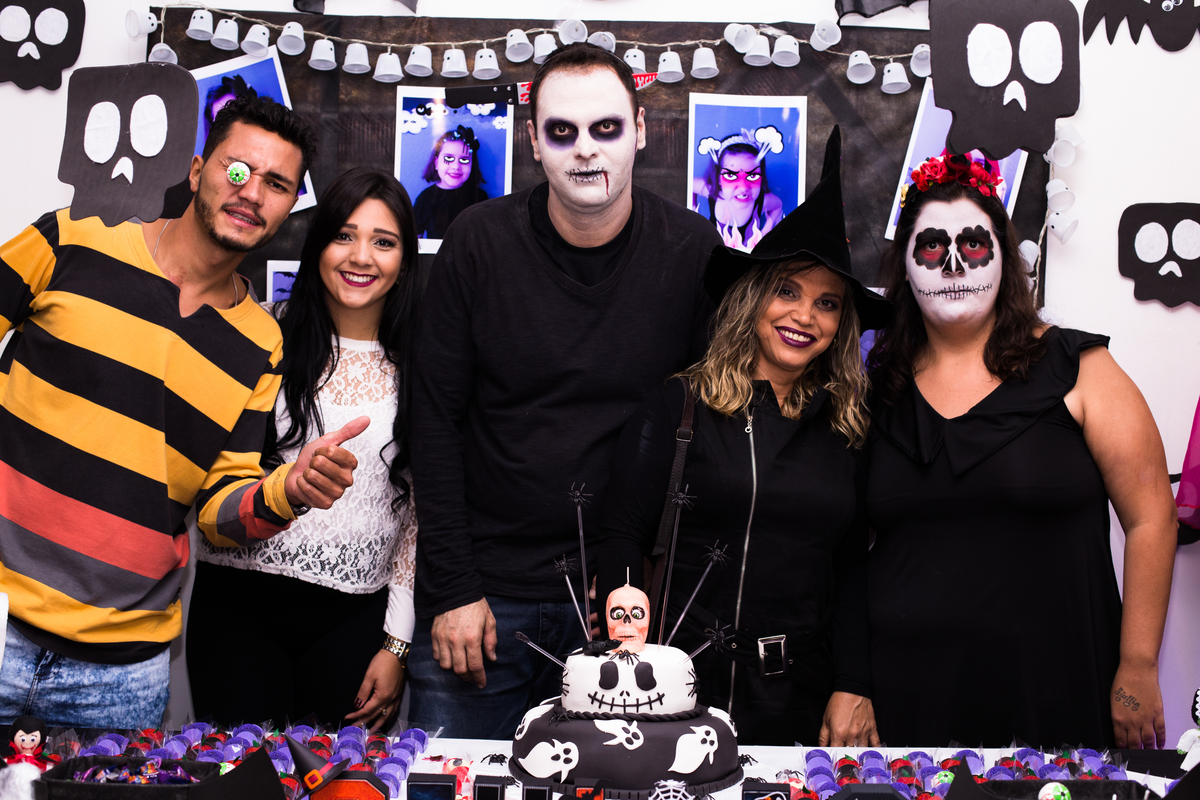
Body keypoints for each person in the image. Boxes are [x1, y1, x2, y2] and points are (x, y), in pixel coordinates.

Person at [0, 96, 366, 730]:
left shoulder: (260, 341)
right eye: (237, 170)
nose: (252, 192)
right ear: (197, 170)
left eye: (277, 184)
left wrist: (289, 490)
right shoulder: (74, 237)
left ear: (289, 205)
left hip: (120, 673)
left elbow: (219, 514)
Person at [408, 42, 723, 738]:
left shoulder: (694, 251)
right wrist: (455, 587)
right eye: (563, 131)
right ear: (534, 142)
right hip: (484, 599)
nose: (586, 150)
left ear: (641, 130)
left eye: (606, 128)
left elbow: (712, 430)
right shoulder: (476, 242)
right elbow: (431, 420)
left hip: (625, 601)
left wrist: (644, 586)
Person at [866, 153, 1177, 748]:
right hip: (908, 693)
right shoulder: (877, 390)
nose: (954, 265)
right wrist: (851, 682)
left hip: (1055, 687)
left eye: (974, 246)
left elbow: (1151, 517)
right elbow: (848, 551)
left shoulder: (1080, 367)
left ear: (1005, 258)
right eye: (932, 247)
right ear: (904, 266)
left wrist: (1137, 666)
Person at [596, 128, 888, 747]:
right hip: (674, 691)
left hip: (803, 700)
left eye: (828, 303)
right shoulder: (679, 405)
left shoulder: (847, 426)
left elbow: (852, 566)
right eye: (787, 290)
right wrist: (626, 649)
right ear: (752, 299)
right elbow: (622, 531)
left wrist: (854, 681)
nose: (804, 316)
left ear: (842, 324)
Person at [187, 168, 420, 732]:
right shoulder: (263, 333)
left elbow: (420, 514)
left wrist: (396, 644)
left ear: (404, 260)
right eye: (343, 235)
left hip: (353, 619)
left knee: (344, 787)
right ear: (317, 246)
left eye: (383, 242)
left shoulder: (422, 365)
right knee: (240, 781)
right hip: (237, 608)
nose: (360, 256)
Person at [692, 129, 784, 252]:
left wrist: (766, 230)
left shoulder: (763, 202)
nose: (743, 187)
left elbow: (778, 205)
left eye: (752, 176)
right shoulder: (711, 193)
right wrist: (692, 209)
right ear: (718, 178)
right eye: (730, 176)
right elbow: (691, 184)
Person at [413, 125, 489, 240]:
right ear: (436, 162)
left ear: (472, 165)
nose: (456, 167)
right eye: (448, 158)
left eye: (464, 160)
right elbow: (415, 241)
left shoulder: (480, 198)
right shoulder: (425, 199)